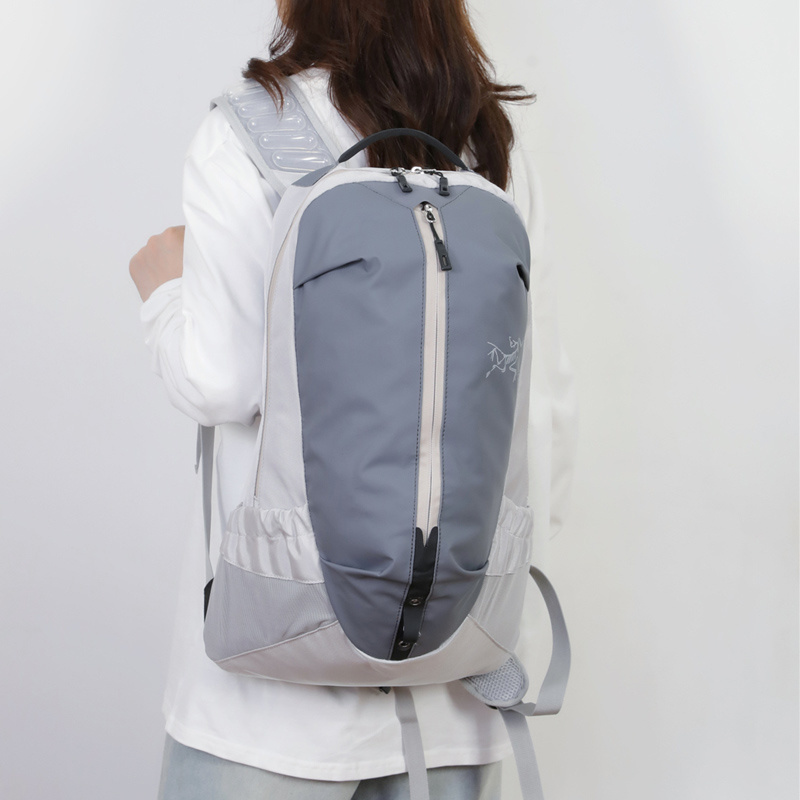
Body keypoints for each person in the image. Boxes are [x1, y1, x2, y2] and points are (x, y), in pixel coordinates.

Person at [129, 0, 579, 797]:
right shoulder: (490, 145)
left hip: (271, 703)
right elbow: (538, 407)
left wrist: (164, 288)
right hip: (456, 687)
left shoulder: (248, 131)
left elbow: (220, 379)